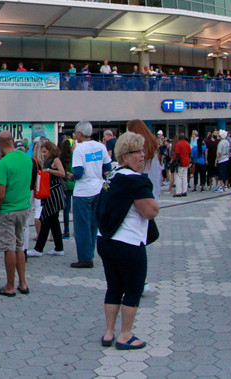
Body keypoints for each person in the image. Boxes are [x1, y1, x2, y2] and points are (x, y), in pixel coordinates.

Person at [96, 132, 159, 350]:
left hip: (105, 240)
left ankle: (108, 333)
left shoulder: (113, 175)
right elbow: (150, 211)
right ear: (125, 155)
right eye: (137, 152)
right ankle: (125, 335)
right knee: (133, 289)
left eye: (143, 151)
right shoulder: (135, 180)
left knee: (114, 287)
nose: (142, 156)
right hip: (128, 243)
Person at [0, 131, 36, 296]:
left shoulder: (3, 164)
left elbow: (0, 194)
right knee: (19, 245)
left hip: (7, 210)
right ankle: (23, 283)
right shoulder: (27, 158)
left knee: (8, 247)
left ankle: (10, 285)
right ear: (12, 140)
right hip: (23, 208)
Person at [71, 121, 110, 268]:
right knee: (94, 224)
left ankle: (84, 258)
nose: (75, 137)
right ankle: (91, 253)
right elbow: (106, 166)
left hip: (83, 192)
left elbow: (79, 173)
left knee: (82, 226)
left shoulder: (79, 150)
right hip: (98, 188)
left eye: (75, 134)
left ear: (80, 134)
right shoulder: (100, 146)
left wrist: (71, 176)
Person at [28, 138, 66, 257]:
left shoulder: (55, 160)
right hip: (50, 191)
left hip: (54, 192)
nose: (43, 154)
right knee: (53, 221)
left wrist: (49, 170)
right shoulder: (48, 160)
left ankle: (39, 249)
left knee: (46, 219)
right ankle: (59, 247)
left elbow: (62, 173)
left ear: (51, 151)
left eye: (45, 151)